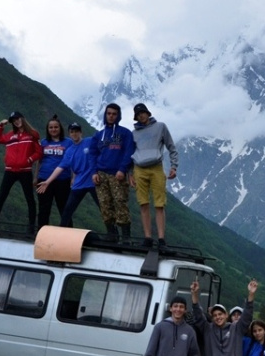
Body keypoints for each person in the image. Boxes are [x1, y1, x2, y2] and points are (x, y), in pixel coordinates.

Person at [130, 103, 178, 248]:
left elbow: (171, 147)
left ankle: (161, 239)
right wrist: (130, 173)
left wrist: (174, 166)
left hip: (156, 167)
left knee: (159, 204)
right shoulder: (134, 133)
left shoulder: (161, 127)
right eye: (138, 114)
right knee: (143, 203)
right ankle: (148, 237)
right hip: (139, 169)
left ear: (148, 113)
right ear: (136, 117)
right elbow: (130, 154)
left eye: (143, 112)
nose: (141, 115)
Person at [37, 123, 100, 228]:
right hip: (79, 184)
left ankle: (113, 233)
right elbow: (60, 167)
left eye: (77, 131)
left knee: (104, 208)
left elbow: (103, 148)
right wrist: (48, 181)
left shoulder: (89, 141)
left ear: (81, 132)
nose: (75, 134)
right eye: (72, 132)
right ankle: (64, 232)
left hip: (93, 182)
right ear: (69, 134)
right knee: (67, 211)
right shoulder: (69, 151)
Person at [0, 111, 41, 233]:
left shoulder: (33, 134)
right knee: (1, 196)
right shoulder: (10, 135)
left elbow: (39, 152)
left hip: (25, 171)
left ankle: (31, 229)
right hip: (10, 171)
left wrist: (29, 159)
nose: (16, 122)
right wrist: (0, 126)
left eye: (17, 119)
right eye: (13, 120)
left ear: (22, 118)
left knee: (30, 199)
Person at [92, 103, 135, 242]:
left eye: (114, 114)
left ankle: (126, 236)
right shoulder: (99, 135)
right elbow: (92, 154)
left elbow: (129, 152)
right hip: (101, 174)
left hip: (117, 174)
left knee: (120, 202)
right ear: (105, 115)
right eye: (109, 113)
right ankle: (111, 234)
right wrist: (94, 172)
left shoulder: (125, 133)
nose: (111, 116)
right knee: (104, 204)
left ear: (118, 116)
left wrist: (122, 169)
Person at [36, 115, 71, 228]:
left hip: (63, 180)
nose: (53, 129)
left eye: (56, 127)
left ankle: (68, 233)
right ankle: (41, 232)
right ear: (47, 129)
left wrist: (74, 178)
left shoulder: (68, 142)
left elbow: (73, 161)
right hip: (43, 179)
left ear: (60, 128)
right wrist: (36, 177)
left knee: (64, 208)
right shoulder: (43, 142)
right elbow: (39, 161)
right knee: (43, 208)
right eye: (51, 127)